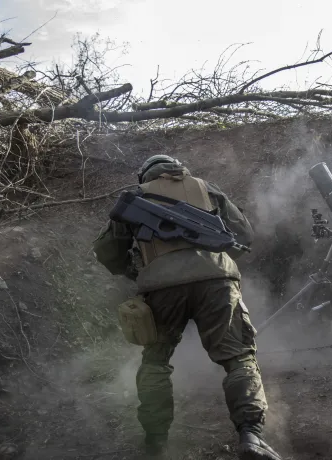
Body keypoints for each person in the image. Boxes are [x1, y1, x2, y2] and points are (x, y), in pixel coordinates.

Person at [92, 155, 282, 460]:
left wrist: (136, 270)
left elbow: (106, 250)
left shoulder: (136, 197)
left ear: (145, 175)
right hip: (217, 282)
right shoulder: (207, 189)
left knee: (155, 360)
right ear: (179, 171)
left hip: (161, 287)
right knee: (238, 358)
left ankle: (155, 444)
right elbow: (243, 234)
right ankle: (251, 435)